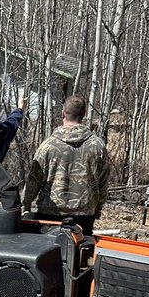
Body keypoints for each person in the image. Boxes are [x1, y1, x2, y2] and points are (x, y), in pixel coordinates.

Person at [24, 93, 108, 235]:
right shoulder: (98, 146)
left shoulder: (48, 146)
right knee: (81, 253)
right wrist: (99, 206)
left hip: (50, 214)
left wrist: (25, 204)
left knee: (48, 255)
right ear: (84, 115)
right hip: (85, 215)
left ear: (62, 114)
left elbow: (34, 180)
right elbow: (103, 181)